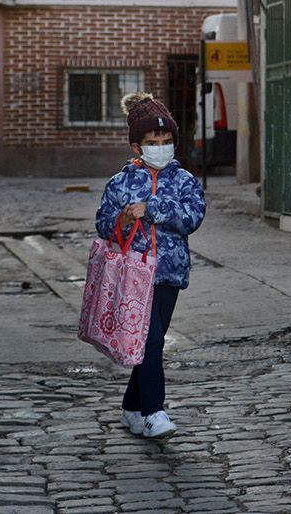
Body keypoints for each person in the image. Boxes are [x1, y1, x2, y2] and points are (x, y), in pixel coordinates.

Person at [96, 92, 206, 439]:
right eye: (152, 141)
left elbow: (192, 218)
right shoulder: (120, 183)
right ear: (136, 146)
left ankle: (131, 407)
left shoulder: (185, 180)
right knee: (150, 342)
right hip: (132, 276)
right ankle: (153, 411)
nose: (161, 146)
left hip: (169, 274)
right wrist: (124, 221)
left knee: (148, 342)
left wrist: (153, 208)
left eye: (166, 140)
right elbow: (103, 225)